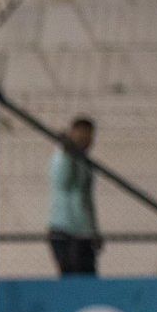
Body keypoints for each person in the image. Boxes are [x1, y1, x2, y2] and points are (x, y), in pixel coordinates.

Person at [48, 117, 100, 275]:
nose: (87, 140)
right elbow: (63, 180)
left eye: (89, 136)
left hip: (84, 231)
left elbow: (87, 200)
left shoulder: (85, 162)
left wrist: (93, 230)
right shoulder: (62, 157)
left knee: (88, 273)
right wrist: (67, 152)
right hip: (64, 230)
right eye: (82, 135)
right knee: (71, 274)